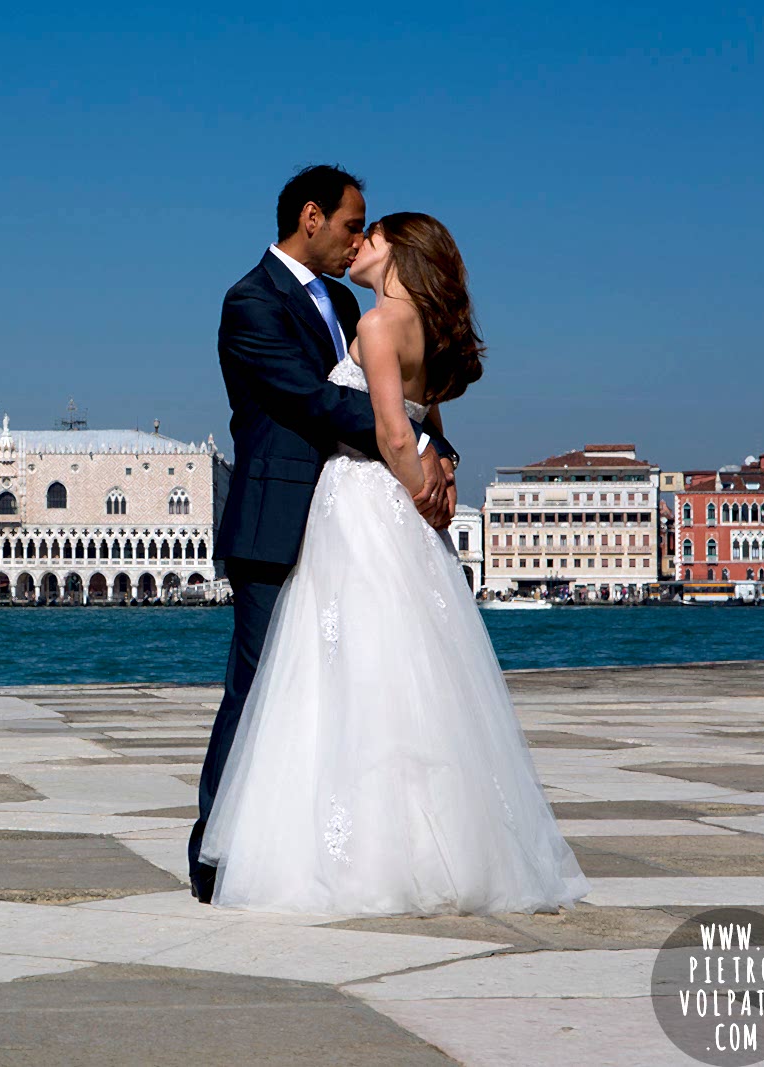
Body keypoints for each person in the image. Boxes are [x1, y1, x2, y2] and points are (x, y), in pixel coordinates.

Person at [199, 211, 588, 915]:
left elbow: (390, 429)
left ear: (398, 252)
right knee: (411, 667)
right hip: (403, 510)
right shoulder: (431, 336)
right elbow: (428, 423)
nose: (358, 245)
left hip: (364, 498)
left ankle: (354, 856)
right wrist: (437, 480)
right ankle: (438, 846)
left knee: (349, 667)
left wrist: (420, 485)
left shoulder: (375, 323)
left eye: (370, 236)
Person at [188, 165, 458, 902]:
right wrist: (408, 441)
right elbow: (310, 401)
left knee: (341, 689)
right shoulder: (249, 302)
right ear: (311, 217)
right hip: (277, 522)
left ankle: (320, 846)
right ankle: (212, 853)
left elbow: (393, 388)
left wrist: (440, 446)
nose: (356, 241)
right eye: (350, 224)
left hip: (350, 517)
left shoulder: (345, 300)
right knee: (254, 692)